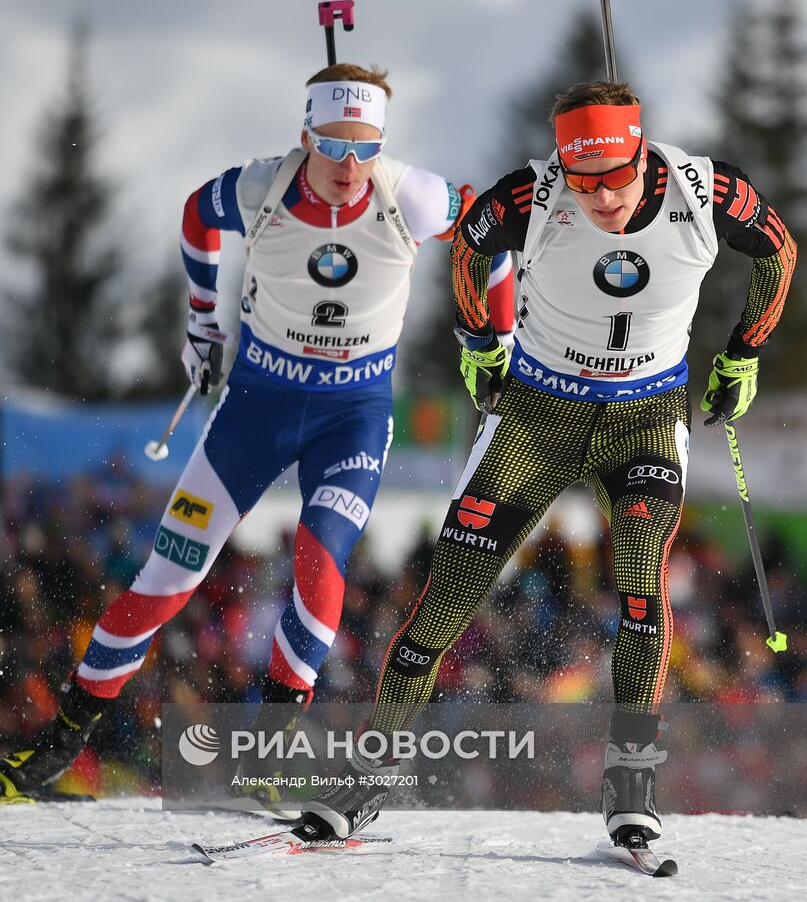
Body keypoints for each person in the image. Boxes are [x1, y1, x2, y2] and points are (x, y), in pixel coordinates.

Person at [297, 80, 797, 846]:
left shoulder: (703, 188)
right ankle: (369, 776)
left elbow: (778, 250)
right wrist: (477, 340)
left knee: (638, 572)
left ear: (640, 151)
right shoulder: (535, 193)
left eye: (615, 178)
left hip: (644, 418)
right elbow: (468, 243)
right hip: (536, 414)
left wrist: (744, 354)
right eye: (583, 179)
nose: (599, 198)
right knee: (445, 602)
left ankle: (631, 780)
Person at [0, 63, 515, 806]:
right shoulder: (261, 187)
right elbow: (194, 214)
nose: (349, 168)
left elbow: (493, 233)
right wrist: (202, 317)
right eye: (332, 147)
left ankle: (267, 760)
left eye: (364, 148)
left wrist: (489, 338)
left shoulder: (409, 192)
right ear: (305, 135)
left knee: (318, 558)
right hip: (255, 410)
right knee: (166, 582)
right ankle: (57, 745)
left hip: (352, 417)